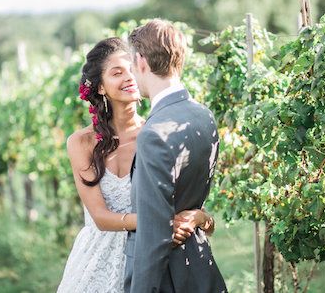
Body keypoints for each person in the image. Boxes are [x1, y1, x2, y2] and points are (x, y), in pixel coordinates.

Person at [57, 37, 215, 293]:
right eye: (117, 73)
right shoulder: (81, 142)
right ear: (100, 88)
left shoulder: (159, 135)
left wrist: (197, 217)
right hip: (95, 260)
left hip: (148, 256)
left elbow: (199, 214)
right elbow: (100, 217)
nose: (128, 77)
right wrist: (159, 223)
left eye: (132, 69)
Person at [124, 20, 227, 293]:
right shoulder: (203, 115)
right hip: (199, 265)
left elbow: (153, 237)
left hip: (166, 279)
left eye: (132, 65)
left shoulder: (153, 133)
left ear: (141, 61)